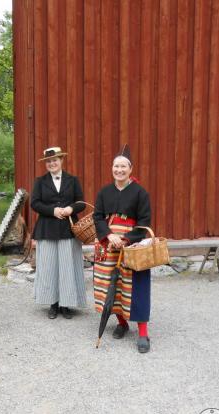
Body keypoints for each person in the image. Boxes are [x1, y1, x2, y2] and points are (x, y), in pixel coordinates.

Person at [93, 146, 152, 353]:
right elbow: (97, 217)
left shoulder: (140, 193)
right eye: (116, 166)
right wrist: (109, 235)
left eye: (123, 166)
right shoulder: (104, 192)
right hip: (108, 245)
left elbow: (145, 221)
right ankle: (122, 323)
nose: (119, 170)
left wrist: (126, 239)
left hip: (132, 246)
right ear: (112, 169)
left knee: (137, 287)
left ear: (130, 169)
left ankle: (143, 333)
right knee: (112, 285)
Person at [31, 146, 87, 319]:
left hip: (68, 230)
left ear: (61, 160)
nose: (52, 163)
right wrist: (53, 211)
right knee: (49, 268)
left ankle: (66, 304)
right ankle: (53, 304)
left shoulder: (73, 180)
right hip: (47, 229)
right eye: (48, 161)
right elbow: (35, 203)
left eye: (55, 160)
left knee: (67, 267)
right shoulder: (40, 181)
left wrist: (71, 208)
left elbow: (81, 203)